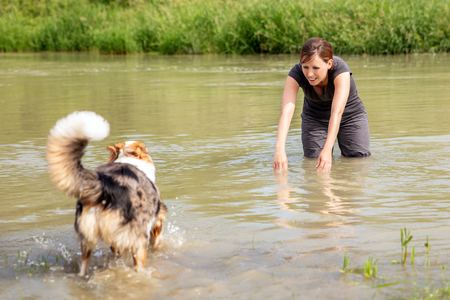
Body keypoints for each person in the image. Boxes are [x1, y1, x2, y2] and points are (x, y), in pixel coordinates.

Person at [273, 37, 371, 172]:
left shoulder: (341, 71)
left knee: (356, 161)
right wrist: (279, 149)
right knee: (314, 163)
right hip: (315, 117)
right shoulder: (296, 73)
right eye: (305, 67)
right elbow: (287, 111)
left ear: (329, 63)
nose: (310, 73)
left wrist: (326, 149)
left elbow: (337, 113)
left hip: (349, 116)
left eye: (316, 68)